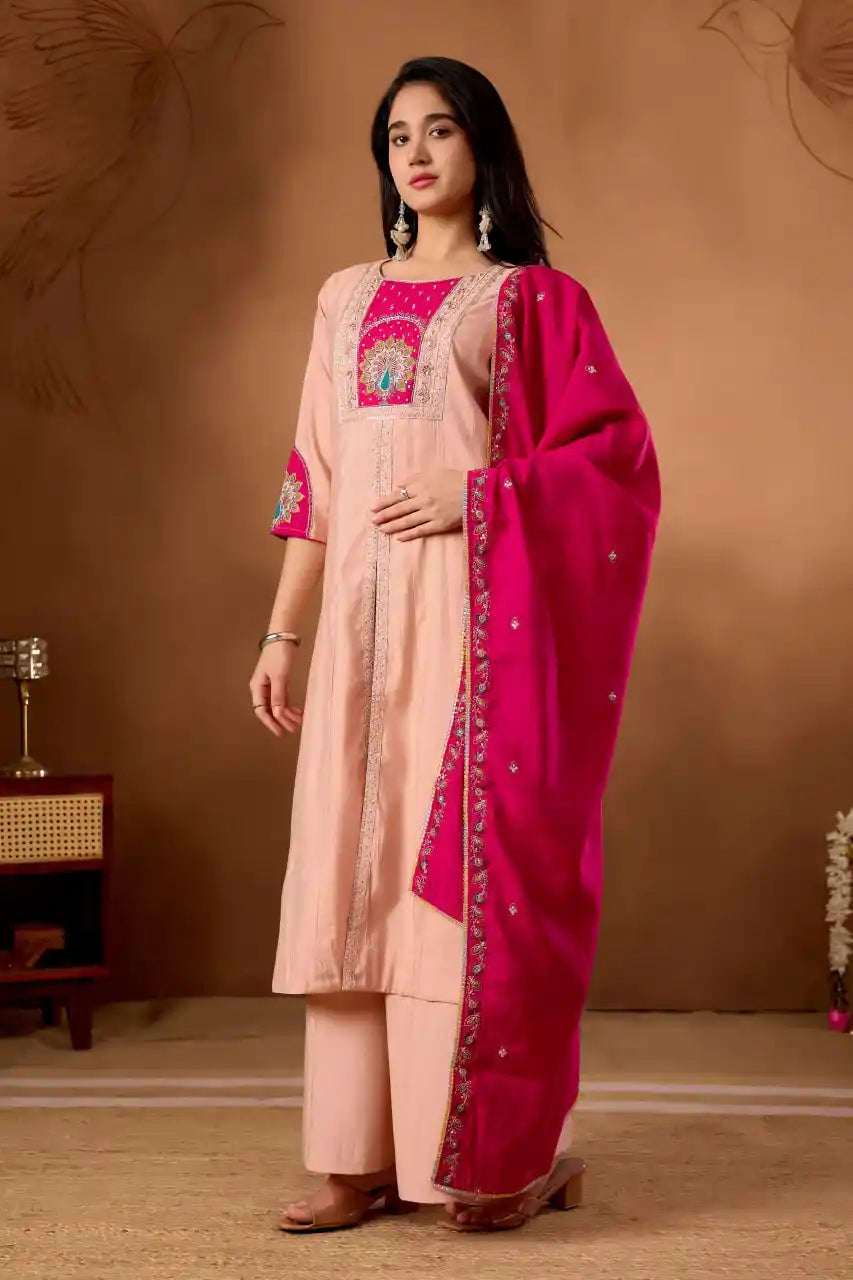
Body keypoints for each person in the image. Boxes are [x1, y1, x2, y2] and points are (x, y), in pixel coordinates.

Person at [250, 55, 660, 1235]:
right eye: (395, 137)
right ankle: (350, 1154)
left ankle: (478, 1155)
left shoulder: (530, 301)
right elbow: (310, 480)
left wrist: (480, 490)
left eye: (438, 131)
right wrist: (284, 630)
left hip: (472, 630)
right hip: (353, 641)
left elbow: (614, 465)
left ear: (481, 148)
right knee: (347, 864)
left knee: (449, 885)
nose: (415, 153)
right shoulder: (341, 297)